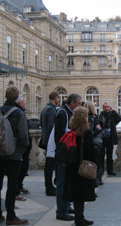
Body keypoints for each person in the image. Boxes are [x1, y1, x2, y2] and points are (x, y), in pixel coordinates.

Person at [0, 86, 29, 225]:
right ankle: (11, 216)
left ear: (5, 96)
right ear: (17, 97)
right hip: (14, 154)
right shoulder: (19, 113)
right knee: (12, 185)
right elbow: (23, 136)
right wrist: (20, 150)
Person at [64, 107, 96, 226]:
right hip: (82, 166)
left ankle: (79, 217)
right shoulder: (86, 133)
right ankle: (79, 219)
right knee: (81, 195)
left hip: (71, 166)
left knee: (76, 195)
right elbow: (90, 151)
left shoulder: (71, 130)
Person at [53, 93, 82, 221]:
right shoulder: (62, 113)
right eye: (78, 103)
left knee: (66, 182)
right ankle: (61, 211)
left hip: (67, 153)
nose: (80, 106)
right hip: (64, 154)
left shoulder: (68, 112)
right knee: (61, 183)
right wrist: (64, 155)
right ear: (72, 103)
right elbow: (59, 136)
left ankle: (66, 205)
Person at [40, 91, 60, 196]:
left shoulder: (44, 109)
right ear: (55, 98)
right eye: (58, 98)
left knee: (49, 165)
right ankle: (49, 187)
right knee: (50, 166)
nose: (59, 100)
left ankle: (50, 185)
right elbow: (53, 127)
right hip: (51, 142)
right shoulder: (51, 110)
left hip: (45, 140)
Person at [15, 96, 31, 201]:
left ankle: (19, 186)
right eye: (24, 102)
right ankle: (16, 190)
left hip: (22, 145)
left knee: (23, 167)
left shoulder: (20, 112)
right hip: (21, 146)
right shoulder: (19, 113)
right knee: (20, 168)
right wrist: (26, 143)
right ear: (19, 103)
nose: (25, 104)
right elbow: (22, 131)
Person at [98, 103, 121, 176]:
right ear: (103, 108)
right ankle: (101, 170)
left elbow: (119, 118)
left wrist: (113, 111)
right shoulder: (101, 115)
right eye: (104, 107)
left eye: (107, 107)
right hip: (102, 137)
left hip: (110, 137)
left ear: (109, 107)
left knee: (110, 155)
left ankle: (110, 170)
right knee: (101, 155)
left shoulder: (112, 115)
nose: (106, 108)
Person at [84, 102, 103, 186]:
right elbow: (91, 133)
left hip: (85, 144)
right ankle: (95, 181)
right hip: (93, 144)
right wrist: (98, 130)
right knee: (95, 164)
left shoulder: (83, 118)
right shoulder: (92, 118)